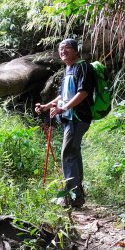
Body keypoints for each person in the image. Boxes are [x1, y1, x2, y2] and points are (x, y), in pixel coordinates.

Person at [35, 38, 95, 208]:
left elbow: (83, 92)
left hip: (79, 117)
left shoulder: (83, 67)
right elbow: (63, 95)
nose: (63, 51)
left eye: (67, 48)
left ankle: (72, 197)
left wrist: (64, 108)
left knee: (67, 154)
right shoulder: (68, 69)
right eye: (61, 49)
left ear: (76, 51)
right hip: (69, 118)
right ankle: (78, 195)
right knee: (73, 153)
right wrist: (47, 106)